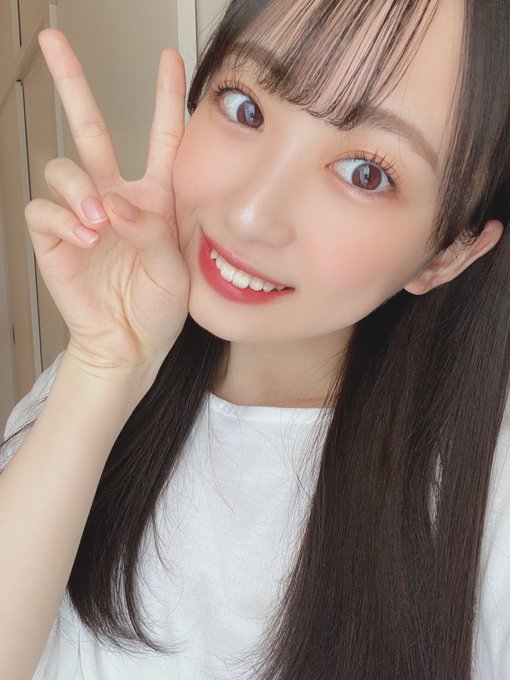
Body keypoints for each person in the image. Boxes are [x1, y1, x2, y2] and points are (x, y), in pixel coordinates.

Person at [1, 0, 509, 677]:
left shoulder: (486, 497)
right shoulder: (96, 383)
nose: (247, 214)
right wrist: (104, 368)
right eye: (245, 108)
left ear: (447, 254)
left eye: (366, 173)